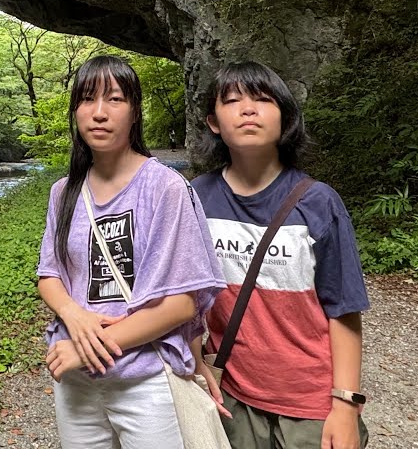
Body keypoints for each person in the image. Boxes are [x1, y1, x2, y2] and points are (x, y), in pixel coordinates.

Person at [37, 55, 225, 448]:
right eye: (87, 100)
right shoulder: (64, 192)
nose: (99, 113)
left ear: (135, 111)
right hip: (76, 382)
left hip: (145, 377)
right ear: (75, 111)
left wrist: (88, 348)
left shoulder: (165, 188)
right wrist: (75, 316)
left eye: (115, 99)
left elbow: (180, 305)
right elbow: (50, 274)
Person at [188, 61, 370, 449]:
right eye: (233, 100)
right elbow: (183, 294)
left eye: (263, 99)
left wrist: (345, 406)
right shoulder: (196, 197)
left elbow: (343, 309)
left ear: (285, 119)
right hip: (230, 394)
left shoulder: (319, 203)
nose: (248, 109)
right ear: (213, 122)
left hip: (309, 404)